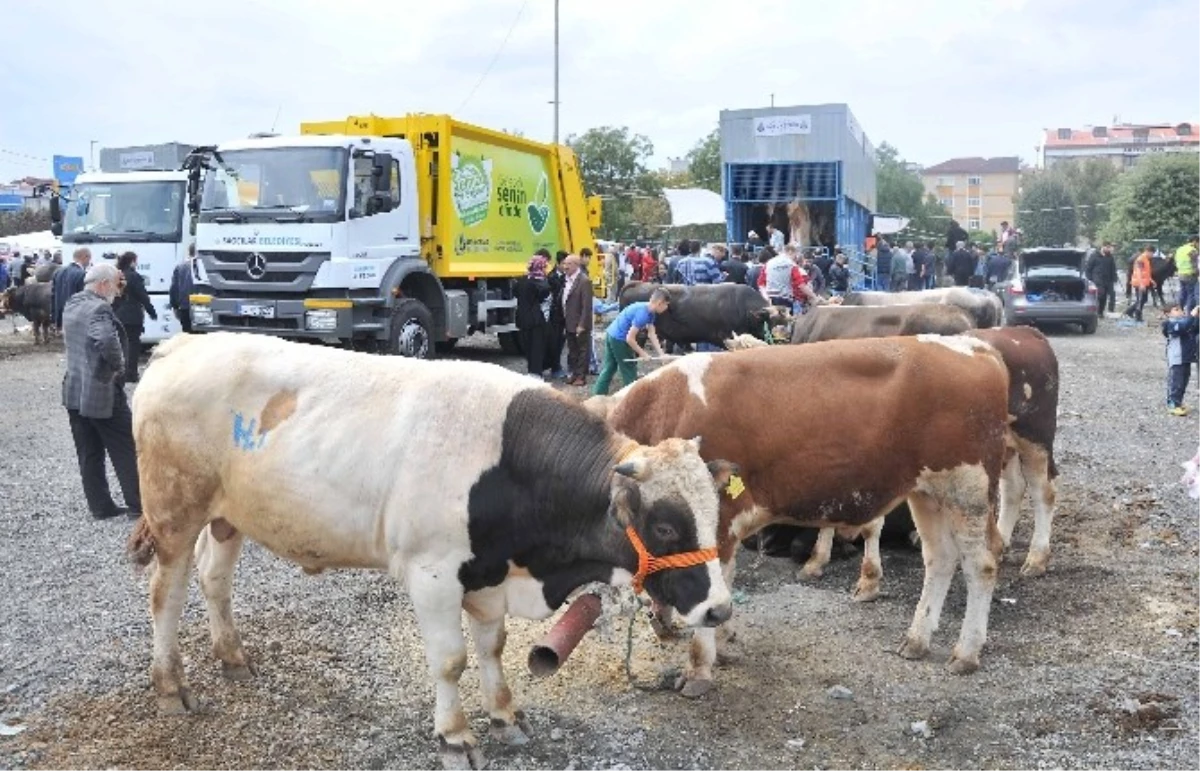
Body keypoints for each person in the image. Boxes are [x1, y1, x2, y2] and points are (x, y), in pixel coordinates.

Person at [61, 263, 142, 520]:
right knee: (126, 448)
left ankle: (100, 506)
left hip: (74, 390)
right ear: (104, 284)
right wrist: (119, 368)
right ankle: (139, 505)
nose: (118, 291)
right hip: (102, 392)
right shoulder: (100, 308)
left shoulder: (72, 303)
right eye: (117, 284)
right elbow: (106, 340)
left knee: (89, 452)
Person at [591, 287, 668, 396]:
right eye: (666, 305)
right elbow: (629, 338)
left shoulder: (650, 311)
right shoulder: (643, 314)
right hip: (619, 339)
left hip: (611, 333)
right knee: (629, 371)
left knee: (610, 367)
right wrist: (643, 353)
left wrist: (661, 354)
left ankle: (597, 395)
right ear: (660, 303)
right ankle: (632, 399)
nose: (667, 308)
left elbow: (651, 334)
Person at [112, 252, 158, 384]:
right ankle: (131, 373)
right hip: (133, 315)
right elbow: (142, 295)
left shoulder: (117, 275)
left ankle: (121, 371)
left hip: (119, 314)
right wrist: (151, 311)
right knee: (133, 345)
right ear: (132, 261)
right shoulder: (134, 276)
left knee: (121, 343)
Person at [514, 254, 552, 379]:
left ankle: (531, 370)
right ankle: (536, 372)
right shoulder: (540, 284)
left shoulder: (521, 281)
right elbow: (543, 297)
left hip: (522, 318)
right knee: (537, 346)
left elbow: (515, 293)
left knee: (528, 345)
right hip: (536, 319)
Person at [560, 254, 594, 387]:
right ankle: (573, 373)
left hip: (579, 323)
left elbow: (587, 306)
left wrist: (582, 324)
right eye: (564, 264)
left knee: (582, 350)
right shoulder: (567, 280)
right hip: (568, 321)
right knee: (572, 350)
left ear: (576, 265)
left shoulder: (584, 281)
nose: (565, 266)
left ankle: (581, 376)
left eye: (568, 264)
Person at [1162, 304, 1200, 416]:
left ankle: (1178, 402)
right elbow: (1183, 327)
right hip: (1176, 358)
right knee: (1176, 381)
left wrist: (1197, 317)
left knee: (1184, 381)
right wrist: (1192, 316)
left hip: (1186, 357)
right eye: (1176, 310)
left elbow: (1195, 328)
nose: (1180, 311)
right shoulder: (1169, 324)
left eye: (1181, 309)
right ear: (1167, 314)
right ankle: (1172, 403)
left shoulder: (1186, 322)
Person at [758, 244, 821, 311]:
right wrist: (814, 297)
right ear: (790, 252)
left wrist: (766, 297)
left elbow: (760, 283)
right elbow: (801, 285)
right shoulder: (791, 264)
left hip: (771, 299)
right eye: (795, 255)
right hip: (785, 300)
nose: (795, 258)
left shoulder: (769, 263)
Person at [53, 247, 91, 330]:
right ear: (85, 257)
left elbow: (53, 296)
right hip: (77, 319)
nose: (89, 261)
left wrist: (55, 319)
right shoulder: (82, 274)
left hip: (62, 317)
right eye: (89, 258)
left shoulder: (58, 272)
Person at [170, 244, 197, 333]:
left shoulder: (180, 267)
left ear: (189, 251)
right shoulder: (202, 265)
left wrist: (174, 306)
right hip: (201, 305)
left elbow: (174, 288)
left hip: (184, 306)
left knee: (187, 334)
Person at [1086, 243, 1118, 316]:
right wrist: (1090, 279)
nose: (1109, 249)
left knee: (1107, 296)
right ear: (1102, 247)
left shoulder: (1110, 257)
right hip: (1098, 279)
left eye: (1109, 248)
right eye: (1107, 247)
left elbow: (1113, 268)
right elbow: (1089, 268)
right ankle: (1097, 311)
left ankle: (1101, 312)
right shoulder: (1094, 256)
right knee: (1100, 295)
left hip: (1108, 280)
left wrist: (1114, 278)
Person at [1126, 245, 1156, 322]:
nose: (1152, 255)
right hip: (1139, 283)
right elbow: (1139, 272)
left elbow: (1145, 272)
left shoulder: (1146, 259)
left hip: (1144, 282)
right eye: (1152, 253)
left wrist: (1151, 280)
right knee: (1140, 300)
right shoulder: (1141, 259)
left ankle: (1130, 311)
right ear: (1147, 251)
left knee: (1143, 299)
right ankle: (1137, 316)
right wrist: (1141, 284)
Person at [1174, 236, 1200, 314]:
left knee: (1182, 293)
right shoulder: (1192, 250)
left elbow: (1175, 261)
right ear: (1195, 241)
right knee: (1191, 295)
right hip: (1190, 275)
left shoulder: (1179, 249)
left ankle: (1179, 310)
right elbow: (1195, 265)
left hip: (1181, 274)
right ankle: (1189, 313)